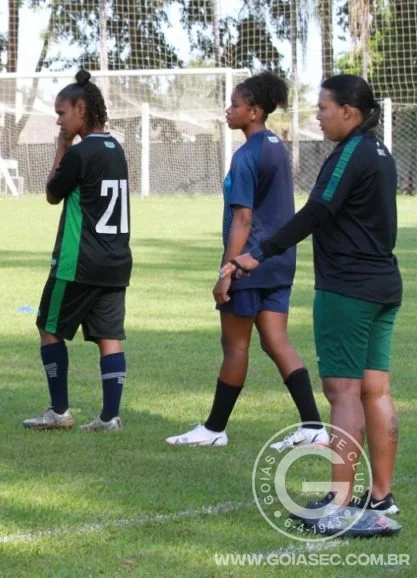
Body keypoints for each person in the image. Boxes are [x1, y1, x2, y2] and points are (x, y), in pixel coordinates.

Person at [226, 75, 402, 529]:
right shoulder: (380, 151)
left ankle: (339, 503)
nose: (317, 117)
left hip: (349, 289)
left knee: (342, 392)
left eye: (323, 108)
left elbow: (316, 211)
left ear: (350, 112)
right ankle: (380, 497)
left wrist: (258, 253)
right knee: (374, 390)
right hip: (383, 284)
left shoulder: (350, 153)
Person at [166, 72, 325, 449]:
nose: (228, 110)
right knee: (276, 340)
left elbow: (243, 218)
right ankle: (314, 426)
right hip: (279, 262)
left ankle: (214, 429)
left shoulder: (248, 154)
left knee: (235, 346)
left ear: (254, 111)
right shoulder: (276, 146)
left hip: (249, 264)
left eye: (235, 105)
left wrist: (226, 271)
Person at [22, 70, 131, 433]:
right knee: (109, 336)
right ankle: (109, 417)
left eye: (62, 113)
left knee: (48, 328)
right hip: (116, 262)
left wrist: (61, 146)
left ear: (81, 109)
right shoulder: (117, 149)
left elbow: (52, 194)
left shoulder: (80, 152)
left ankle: (59, 410)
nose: (58, 120)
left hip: (78, 262)